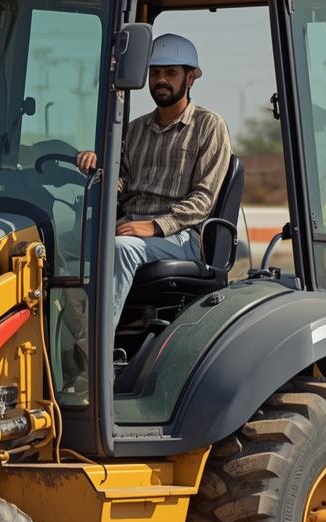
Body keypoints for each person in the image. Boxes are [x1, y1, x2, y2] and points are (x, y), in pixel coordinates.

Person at [75, 32, 232, 319]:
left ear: (191, 78)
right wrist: (98, 165)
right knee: (66, 245)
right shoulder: (135, 130)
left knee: (121, 248)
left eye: (170, 73)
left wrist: (155, 226)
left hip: (180, 237)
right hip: (130, 227)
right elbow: (120, 181)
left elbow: (203, 199)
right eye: (155, 72)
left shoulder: (208, 126)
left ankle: (94, 353)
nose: (160, 80)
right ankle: (68, 343)